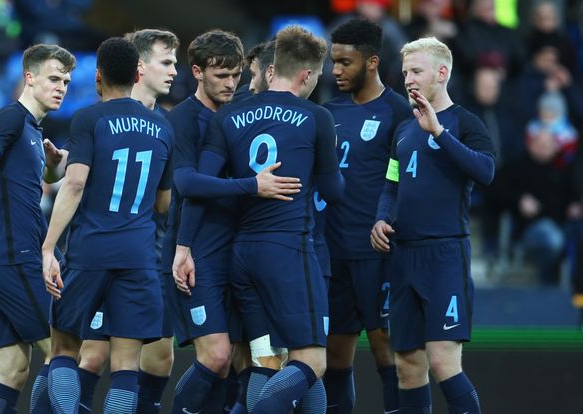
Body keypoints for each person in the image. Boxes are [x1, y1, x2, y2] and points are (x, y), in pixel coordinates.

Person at [175, 25, 344, 414]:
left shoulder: (229, 117)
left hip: (241, 254)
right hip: (289, 249)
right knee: (312, 361)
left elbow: (198, 187)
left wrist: (184, 246)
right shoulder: (316, 117)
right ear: (305, 75)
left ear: (271, 69)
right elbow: (335, 193)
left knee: (266, 359)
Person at [164, 29, 300, 414]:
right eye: (220, 75)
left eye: (235, 74)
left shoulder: (244, 114)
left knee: (251, 360)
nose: (230, 83)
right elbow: (186, 182)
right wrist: (252, 186)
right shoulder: (184, 120)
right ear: (197, 72)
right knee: (217, 356)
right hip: (196, 252)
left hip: (240, 254)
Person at [41, 37, 174, 414]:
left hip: (90, 251)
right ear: (137, 74)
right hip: (139, 256)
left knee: (65, 350)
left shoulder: (89, 119)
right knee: (126, 367)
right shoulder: (163, 127)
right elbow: (163, 203)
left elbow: (76, 183)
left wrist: (49, 247)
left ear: (97, 76)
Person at [370, 37, 494, 413]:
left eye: (417, 71)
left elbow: (485, 171)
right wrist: (380, 217)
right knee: (408, 366)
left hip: (444, 255)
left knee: (443, 362)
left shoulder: (466, 123)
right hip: (402, 256)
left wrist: (439, 132)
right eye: (406, 71)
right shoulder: (403, 131)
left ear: (441, 73)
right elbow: (391, 185)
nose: (408, 78)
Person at [0, 43, 75, 414]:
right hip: (18, 259)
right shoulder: (11, 118)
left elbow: (17, 176)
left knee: (12, 370)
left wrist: (50, 169)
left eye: (65, 81)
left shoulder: (33, 128)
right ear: (29, 78)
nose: (61, 87)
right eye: (53, 79)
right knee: (62, 351)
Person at [322, 18, 413, 413]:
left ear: (372, 62)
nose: (335, 70)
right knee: (334, 356)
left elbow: (404, 180)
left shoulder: (398, 112)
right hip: (331, 251)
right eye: (333, 61)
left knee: (385, 351)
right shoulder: (327, 112)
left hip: (377, 252)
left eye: (345, 62)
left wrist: (390, 221)